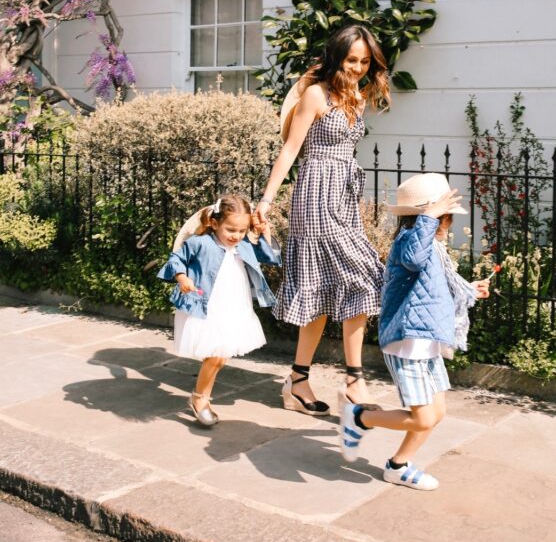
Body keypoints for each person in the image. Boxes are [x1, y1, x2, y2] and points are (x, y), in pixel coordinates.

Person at [254, 24, 390, 416]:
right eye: (352, 59)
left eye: (366, 61)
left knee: (333, 289)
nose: (359, 67)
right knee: (357, 275)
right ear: (337, 56)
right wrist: (266, 200)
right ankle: (354, 379)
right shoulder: (315, 95)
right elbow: (291, 149)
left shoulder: (357, 99)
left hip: (343, 197)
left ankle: (298, 380)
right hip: (314, 196)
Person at [338, 173, 490, 490]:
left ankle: (398, 465)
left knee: (436, 413)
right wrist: (429, 216)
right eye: (445, 218)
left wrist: (471, 289)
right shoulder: (409, 242)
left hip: (427, 342)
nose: (446, 225)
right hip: (406, 342)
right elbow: (414, 260)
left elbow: (435, 285)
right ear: (431, 217)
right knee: (422, 417)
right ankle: (358, 417)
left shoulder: (431, 245)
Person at [157, 193, 281, 427]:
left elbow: (270, 258)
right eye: (231, 230)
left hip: (233, 305)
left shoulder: (243, 245)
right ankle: (200, 399)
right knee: (215, 356)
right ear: (215, 223)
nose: (236, 236)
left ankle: (200, 397)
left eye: (242, 231)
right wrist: (182, 277)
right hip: (208, 305)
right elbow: (176, 259)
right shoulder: (201, 242)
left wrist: (264, 232)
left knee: (219, 358)